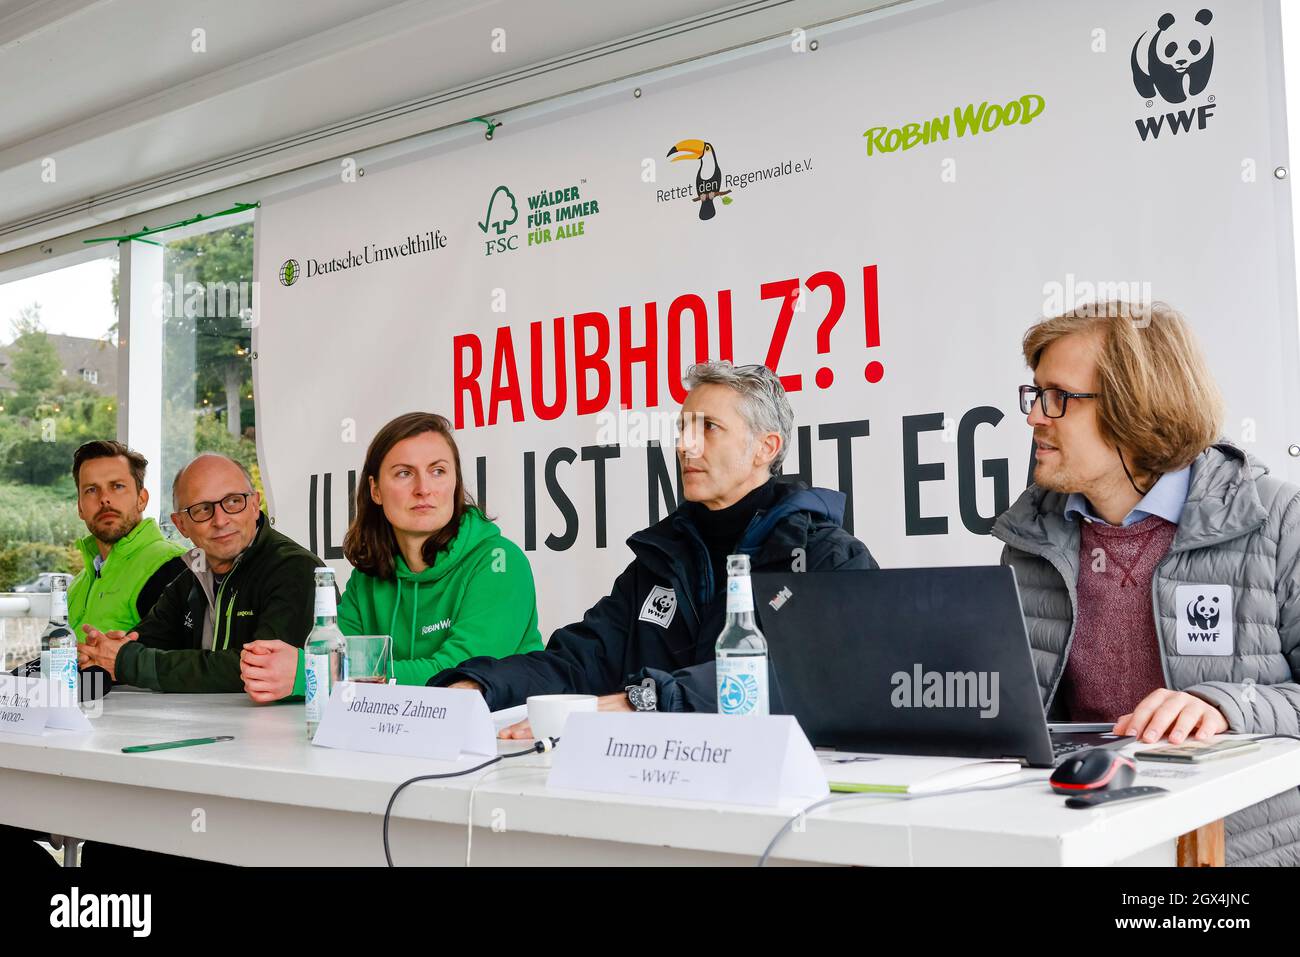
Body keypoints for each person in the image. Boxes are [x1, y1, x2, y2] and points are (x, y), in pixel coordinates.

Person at [991, 300, 1300, 866]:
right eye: (1034, 395)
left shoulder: (1278, 518)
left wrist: (1228, 704)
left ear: (1137, 407)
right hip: (1080, 843)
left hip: (1237, 855)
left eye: (1057, 397)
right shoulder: (1029, 538)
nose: (1035, 416)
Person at [430, 360, 878, 729]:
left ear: (766, 447)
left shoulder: (827, 559)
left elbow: (819, 677)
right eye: (682, 429)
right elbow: (578, 662)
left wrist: (649, 699)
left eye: (709, 429)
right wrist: (480, 688)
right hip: (655, 795)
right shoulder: (660, 559)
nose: (685, 445)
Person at [236, 412, 542, 701]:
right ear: (376, 490)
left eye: (438, 471)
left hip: (502, 745)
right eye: (404, 473)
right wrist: (270, 669)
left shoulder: (500, 562)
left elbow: (458, 676)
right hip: (393, 736)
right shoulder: (367, 577)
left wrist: (308, 673)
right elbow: (338, 657)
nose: (424, 489)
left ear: (455, 483)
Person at [0, 440, 186, 868]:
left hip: (128, 762)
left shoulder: (171, 566)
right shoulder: (81, 582)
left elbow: (151, 664)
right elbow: (60, 667)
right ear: (80, 508)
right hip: (60, 745)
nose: (104, 499)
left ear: (142, 498)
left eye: (118, 487)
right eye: (91, 490)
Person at [77, 453, 323, 692]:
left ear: (255, 505)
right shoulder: (189, 578)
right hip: (204, 730)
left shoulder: (296, 570)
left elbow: (258, 668)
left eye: (233, 501)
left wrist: (129, 662)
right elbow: (143, 641)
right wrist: (100, 654)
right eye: (203, 509)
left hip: (283, 732)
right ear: (180, 525)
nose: (220, 520)